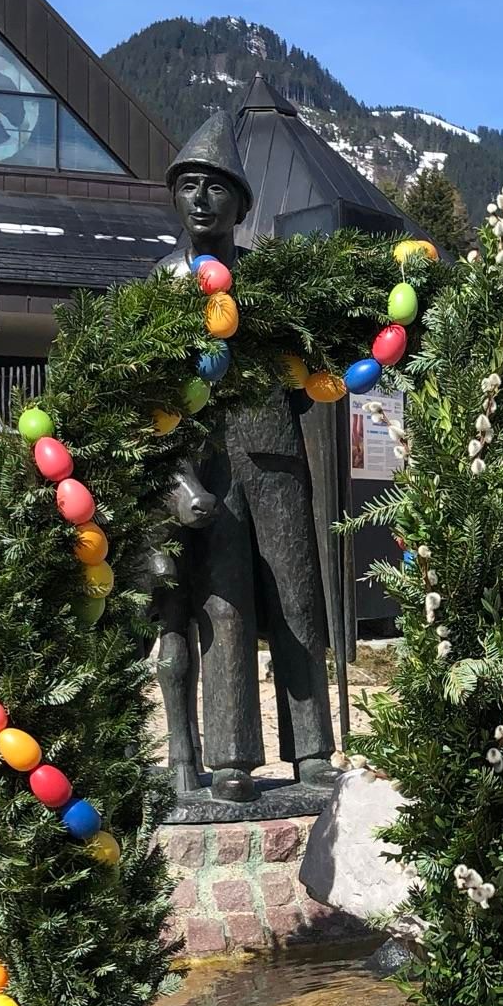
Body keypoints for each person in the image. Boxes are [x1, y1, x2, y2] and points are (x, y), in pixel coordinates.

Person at [155, 112, 335, 802]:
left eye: (215, 188)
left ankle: (312, 746)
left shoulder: (269, 280)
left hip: (273, 452)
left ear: (240, 203)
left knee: (295, 599)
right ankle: (230, 756)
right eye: (189, 187)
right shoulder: (164, 283)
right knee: (221, 605)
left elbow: (307, 365)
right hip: (205, 459)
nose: (201, 199)